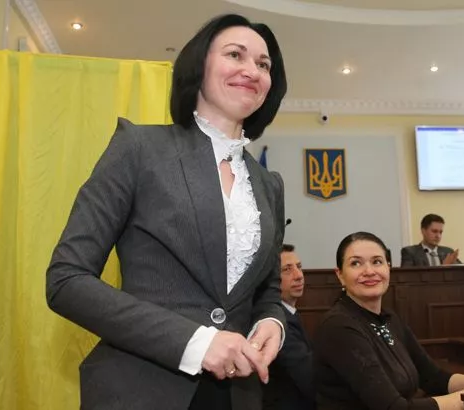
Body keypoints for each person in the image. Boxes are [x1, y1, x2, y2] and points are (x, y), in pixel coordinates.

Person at [46, 13, 288, 410]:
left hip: (237, 396)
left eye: (264, 65)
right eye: (235, 55)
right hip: (139, 389)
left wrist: (271, 322)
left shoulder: (269, 184)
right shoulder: (139, 148)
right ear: (199, 65)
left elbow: (268, 291)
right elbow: (66, 279)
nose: (252, 70)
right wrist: (196, 342)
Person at [314, 232, 464, 410]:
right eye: (356, 263)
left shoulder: (389, 318)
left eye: (377, 261)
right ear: (340, 275)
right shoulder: (338, 326)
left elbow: (432, 377)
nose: (369, 271)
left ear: (388, 268)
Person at [263, 244, 315, 410]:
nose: (299, 276)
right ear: (270, 279)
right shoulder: (276, 321)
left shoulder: (289, 313)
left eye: (299, 267)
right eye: (287, 270)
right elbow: (307, 378)